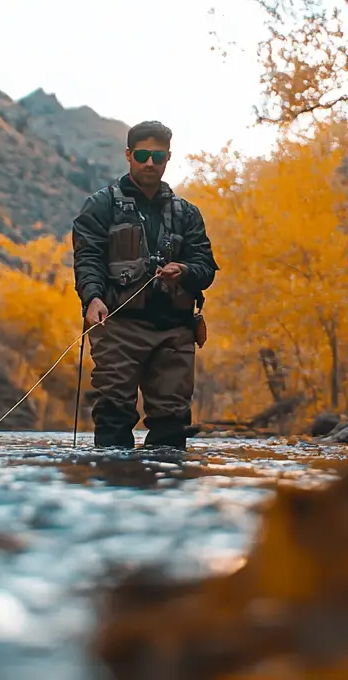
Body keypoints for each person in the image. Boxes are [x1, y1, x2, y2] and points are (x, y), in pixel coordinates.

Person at [71, 120, 219, 449]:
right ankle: (112, 477)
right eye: (142, 155)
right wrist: (92, 298)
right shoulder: (100, 206)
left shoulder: (188, 214)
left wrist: (185, 270)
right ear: (128, 155)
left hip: (175, 331)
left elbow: (206, 267)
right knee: (114, 413)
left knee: (172, 420)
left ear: (168, 158)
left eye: (158, 156)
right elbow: (88, 259)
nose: (150, 162)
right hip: (117, 326)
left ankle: (165, 481)